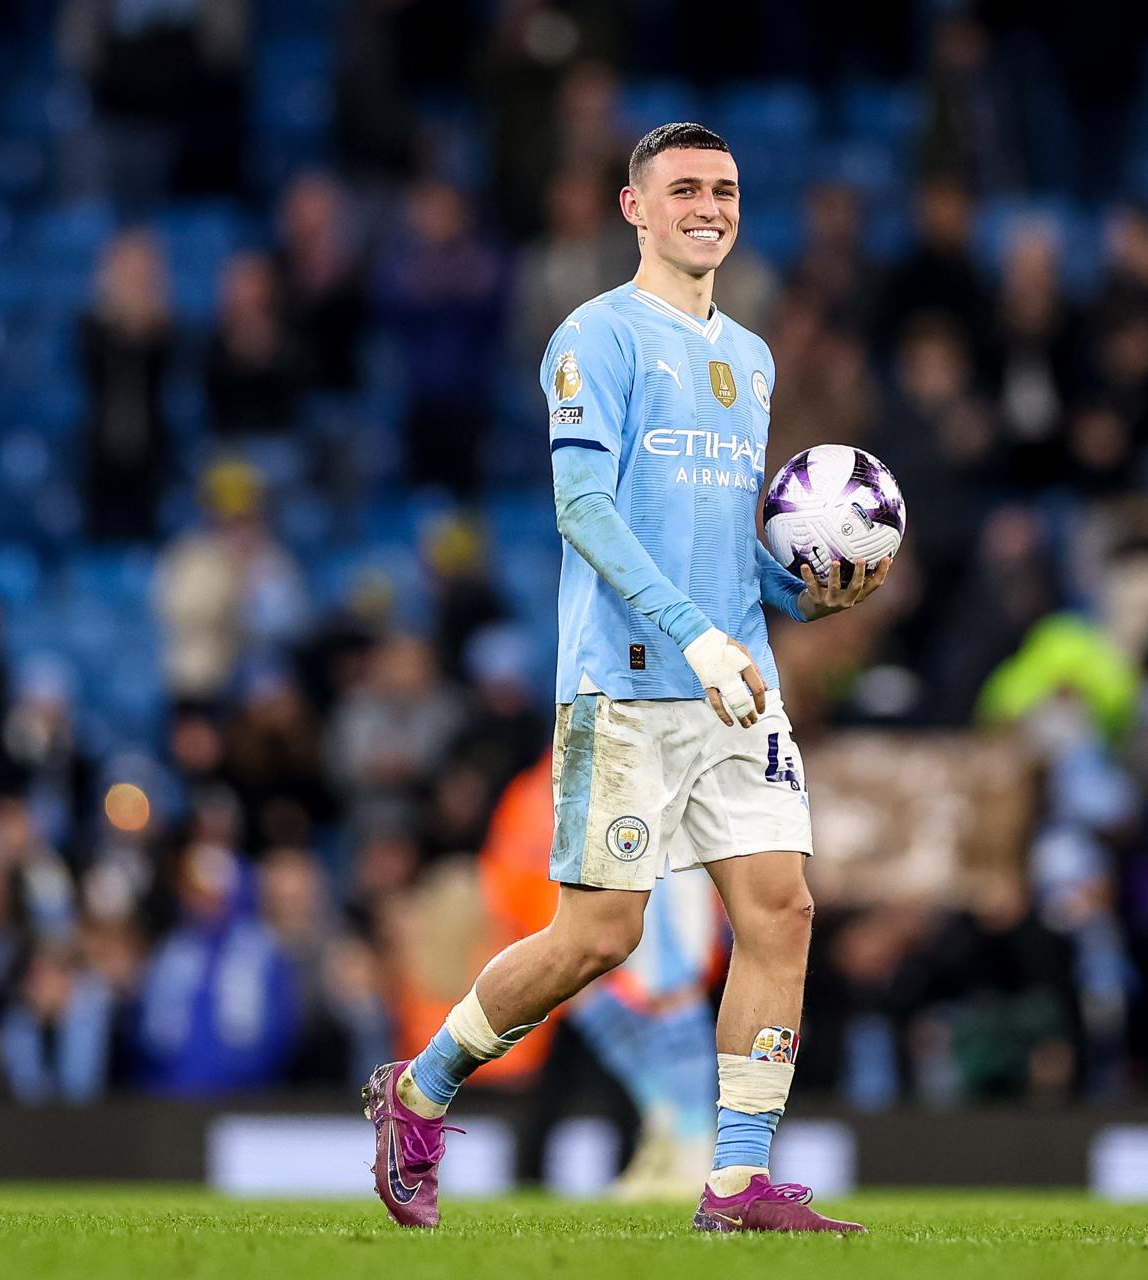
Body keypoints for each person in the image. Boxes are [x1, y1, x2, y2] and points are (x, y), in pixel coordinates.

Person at [362, 123, 889, 1233]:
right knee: (596, 937)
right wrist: (696, 633)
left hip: (732, 678)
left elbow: (717, 537)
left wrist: (805, 593)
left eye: (727, 188)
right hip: (630, 681)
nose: (710, 204)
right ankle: (417, 1092)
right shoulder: (591, 337)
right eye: (685, 188)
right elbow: (584, 512)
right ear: (634, 208)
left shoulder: (751, 357)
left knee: (782, 908)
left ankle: (738, 1182)